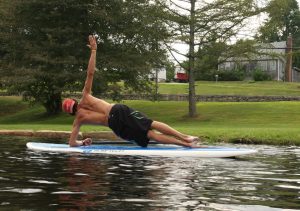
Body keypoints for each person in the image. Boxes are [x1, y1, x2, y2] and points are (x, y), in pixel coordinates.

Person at [62, 35, 200, 147]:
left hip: (116, 127)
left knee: (149, 135)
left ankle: (185, 144)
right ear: (74, 100)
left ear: (70, 113)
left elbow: (72, 143)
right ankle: (186, 138)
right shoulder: (85, 96)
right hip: (117, 111)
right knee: (150, 124)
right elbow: (90, 73)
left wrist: (83, 142)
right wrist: (93, 51)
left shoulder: (78, 120)